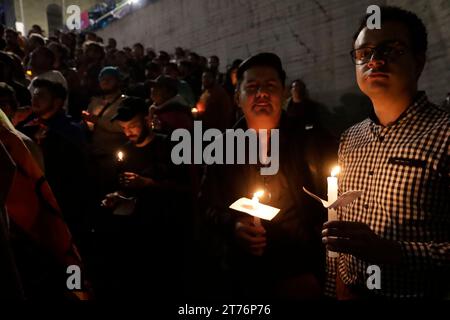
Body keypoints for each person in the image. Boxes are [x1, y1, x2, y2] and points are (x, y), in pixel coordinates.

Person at [322, 6, 450, 299]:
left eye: (390, 50)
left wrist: (392, 252)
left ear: (419, 61)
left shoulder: (444, 135)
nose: (375, 61)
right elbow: (337, 227)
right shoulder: (350, 139)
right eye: (363, 53)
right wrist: (334, 287)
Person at [198, 53, 334, 300]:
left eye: (270, 86)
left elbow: (332, 200)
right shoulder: (221, 148)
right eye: (251, 87)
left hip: (303, 269)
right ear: (237, 98)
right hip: (247, 273)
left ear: (283, 93)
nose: (261, 93)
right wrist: (234, 224)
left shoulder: (311, 139)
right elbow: (206, 206)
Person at [97, 96, 191, 298]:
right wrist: (116, 196)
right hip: (134, 233)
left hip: (165, 232)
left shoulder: (169, 147)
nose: (128, 132)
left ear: (147, 119)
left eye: (133, 125)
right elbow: (122, 187)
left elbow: (186, 189)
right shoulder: (126, 150)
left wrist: (149, 183)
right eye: (124, 127)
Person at [20, 79, 92, 245]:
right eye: (34, 95)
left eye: (41, 96)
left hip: (60, 201)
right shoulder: (28, 124)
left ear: (57, 102)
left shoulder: (71, 131)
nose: (34, 100)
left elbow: (76, 173)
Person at [82, 66, 128, 197]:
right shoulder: (95, 102)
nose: (105, 82)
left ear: (118, 81)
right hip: (94, 154)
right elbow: (90, 125)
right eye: (102, 79)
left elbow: (121, 126)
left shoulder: (124, 103)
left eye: (110, 79)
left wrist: (96, 120)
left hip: (112, 156)